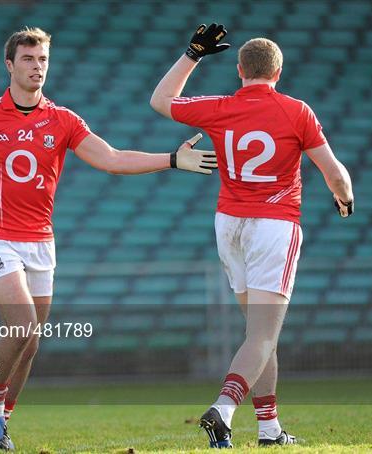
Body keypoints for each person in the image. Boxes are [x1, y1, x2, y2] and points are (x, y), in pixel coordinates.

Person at [0, 27, 217, 451]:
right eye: (27, 59)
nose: (36, 67)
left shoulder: (63, 120)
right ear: (10, 65)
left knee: (32, 341)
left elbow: (111, 159)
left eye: (42, 60)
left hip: (40, 241)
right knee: (21, 324)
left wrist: (171, 159)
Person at [150, 23, 354, 448]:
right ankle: (223, 409)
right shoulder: (296, 111)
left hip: (229, 224)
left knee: (259, 336)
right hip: (273, 226)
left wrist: (193, 54)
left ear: (240, 70)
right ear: (278, 73)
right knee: (263, 336)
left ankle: (269, 429)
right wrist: (344, 198)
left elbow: (160, 100)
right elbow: (333, 172)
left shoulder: (220, 106)